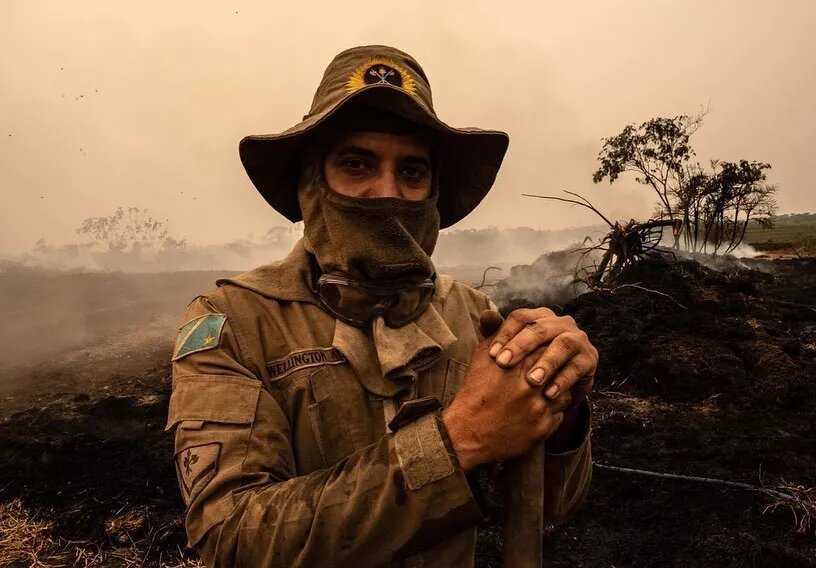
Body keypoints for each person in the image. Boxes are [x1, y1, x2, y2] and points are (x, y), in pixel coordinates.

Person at [167, 45, 597, 567]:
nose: (385, 192)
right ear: (311, 182)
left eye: (412, 173)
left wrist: (559, 407)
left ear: (434, 192)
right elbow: (231, 540)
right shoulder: (235, 322)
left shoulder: (472, 315)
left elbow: (544, 505)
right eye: (356, 163)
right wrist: (459, 440)